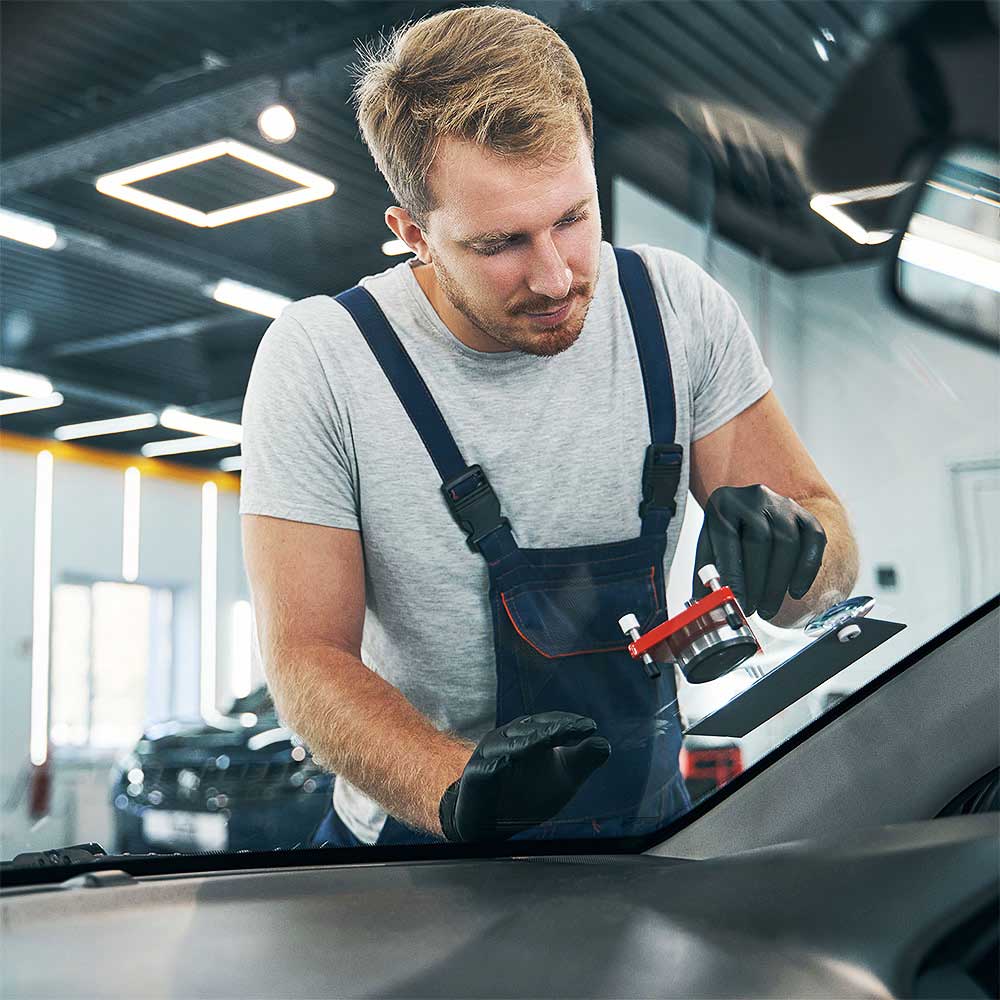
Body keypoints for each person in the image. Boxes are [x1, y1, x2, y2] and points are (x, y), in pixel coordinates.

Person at [240, 5, 859, 848]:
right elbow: (307, 661)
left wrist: (802, 553)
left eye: (574, 216)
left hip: (648, 826)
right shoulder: (322, 361)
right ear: (413, 233)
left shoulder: (676, 311)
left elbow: (826, 559)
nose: (557, 275)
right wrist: (453, 789)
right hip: (423, 839)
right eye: (501, 242)